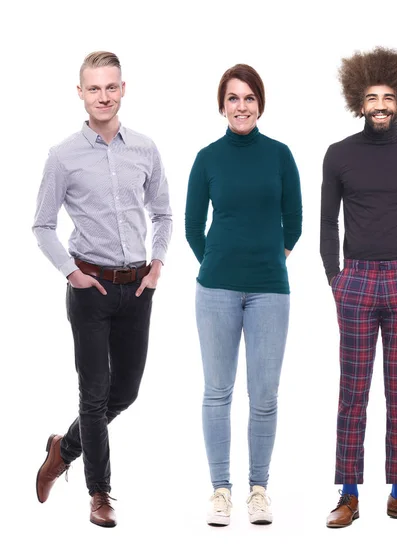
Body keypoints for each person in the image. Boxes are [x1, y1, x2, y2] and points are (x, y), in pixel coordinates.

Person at [33, 51, 172, 527]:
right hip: (89, 289)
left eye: (111, 87)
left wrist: (156, 266)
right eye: (94, 88)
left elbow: (164, 214)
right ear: (81, 93)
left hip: (137, 290)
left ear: (123, 89)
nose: (104, 96)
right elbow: (43, 225)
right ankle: (100, 494)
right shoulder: (63, 155)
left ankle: (62, 449)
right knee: (92, 395)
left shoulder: (146, 149)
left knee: (125, 392)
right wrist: (71, 272)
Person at [320, 47, 397, 528]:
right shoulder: (339, 155)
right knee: (352, 389)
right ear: (359, 100)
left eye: (388, 97)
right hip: (355, 279)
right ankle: (348, 494)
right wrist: (336, 277)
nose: (379, 104)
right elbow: (327, 222)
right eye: (371, 96)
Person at [185, 63, 302, 527]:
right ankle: (220, 490)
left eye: (249, 97)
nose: (241, 105)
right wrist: (217, 262)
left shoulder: (280, 155)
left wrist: (271, 259)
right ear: (222, 105)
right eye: (233, 98)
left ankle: (258, 489)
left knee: (265, 395)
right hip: (215, 289)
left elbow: (293, 219)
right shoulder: (208, 158)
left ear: (260, 104)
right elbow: (194, 226)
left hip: (270, 290)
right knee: (217, 392)